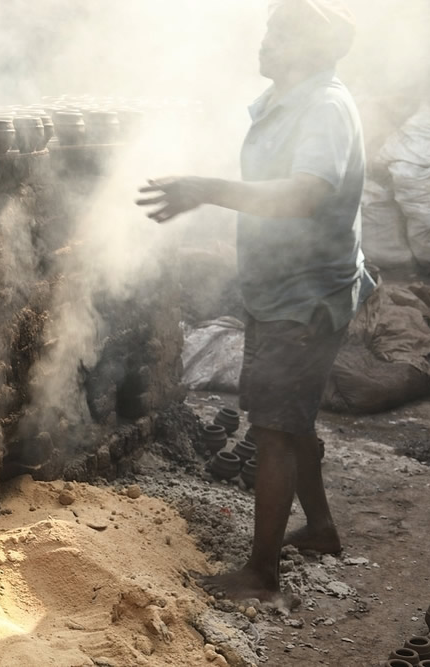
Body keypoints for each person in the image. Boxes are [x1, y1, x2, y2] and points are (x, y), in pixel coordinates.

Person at [136, 0, 373, 604]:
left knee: (272, 430)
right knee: (292, 421)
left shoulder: (324, 108)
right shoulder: (290, 102)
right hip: (285, 289)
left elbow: (303, 195)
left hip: (306, 297)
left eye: (278, 33)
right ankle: (320, 529)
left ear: (309, 48)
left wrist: (206, 191)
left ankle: (261, 574)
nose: (264, 42)